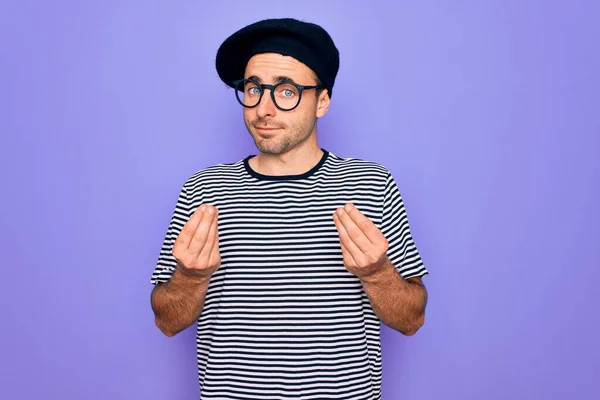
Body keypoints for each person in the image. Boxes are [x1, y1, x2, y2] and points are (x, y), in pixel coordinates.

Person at [150, 17, 429, 400]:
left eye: (285, 91)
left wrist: (377, 272)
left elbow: (412, 319)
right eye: (253, 89)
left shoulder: (371, 184)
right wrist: (191, 278)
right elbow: (167, 321)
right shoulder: (203, 190)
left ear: (322, 101)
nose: (263, 108)